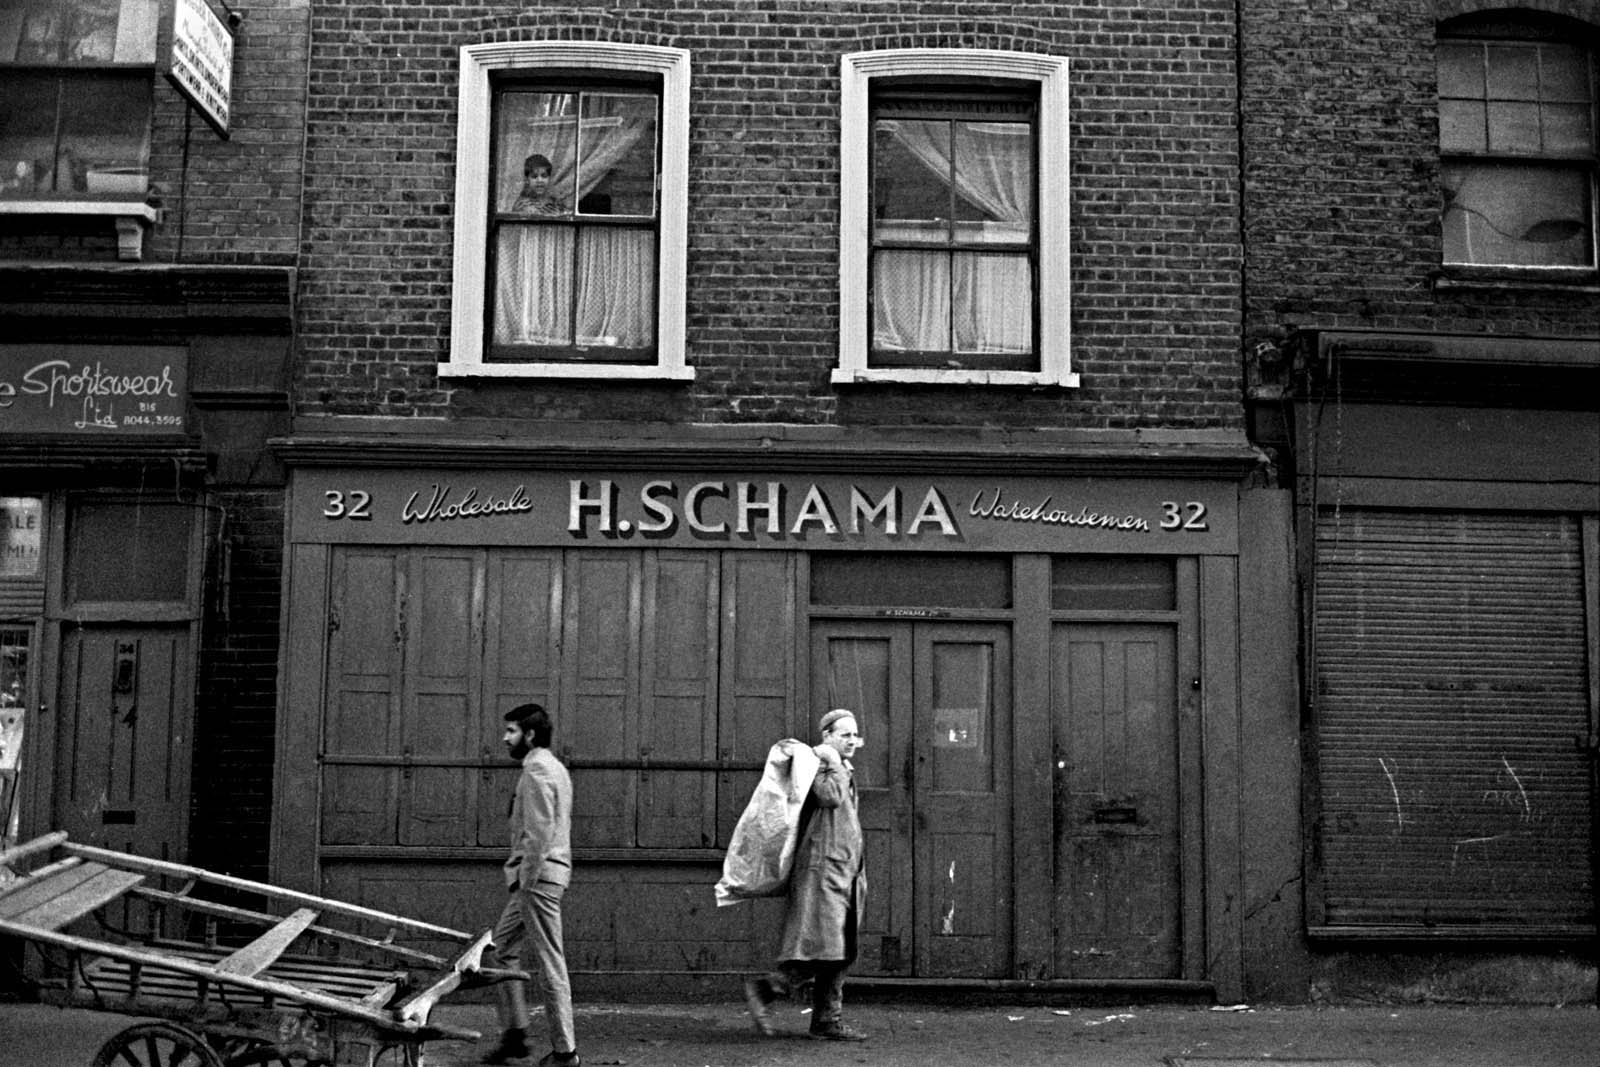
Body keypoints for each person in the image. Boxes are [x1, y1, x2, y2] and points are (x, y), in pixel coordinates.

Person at [743, 708, 868, 1042]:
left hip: (844, 871)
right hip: (822, 871)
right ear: (827, 736)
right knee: (826, 946)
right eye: (845, 735)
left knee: (839, 949)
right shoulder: (815, 764)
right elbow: (829, 797)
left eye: (856, 735)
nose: (853, 741)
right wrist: (834, 762)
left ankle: (827, 1021)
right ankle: (768, 988)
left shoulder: (838, 767)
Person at [484, 703, 579, 1066]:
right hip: (541, 878)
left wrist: (525, 881)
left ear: (531, 735)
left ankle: (565, 1053)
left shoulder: (538, 769)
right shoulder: (555, 768)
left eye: (511, 731)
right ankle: (515, 1035)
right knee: (499, 950)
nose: (505, 738)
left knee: (551, 963)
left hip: (537, 881)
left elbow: (539, 834)